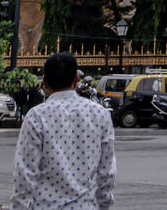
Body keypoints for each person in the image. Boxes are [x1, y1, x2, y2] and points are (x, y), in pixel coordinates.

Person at [14, 53, 115, 210]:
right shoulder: (100, 114)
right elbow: (106, 172)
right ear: (76, 79)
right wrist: (103, 205)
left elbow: (25, 174)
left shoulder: (36, 116)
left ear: (44, 82)